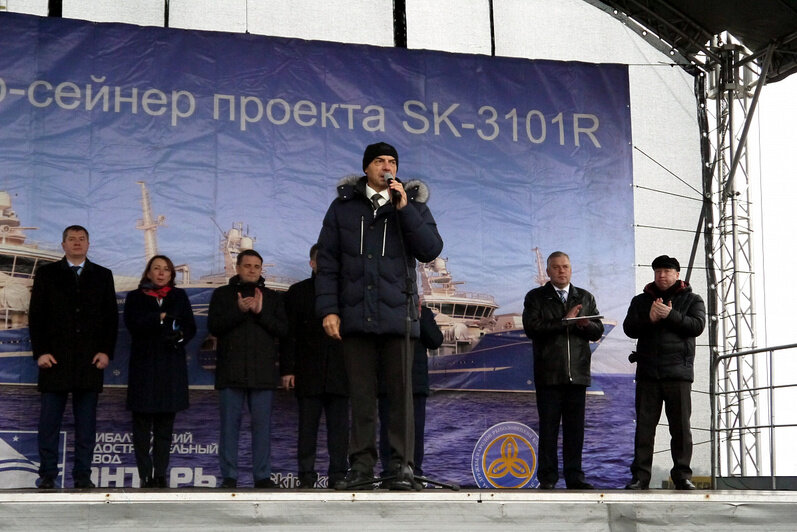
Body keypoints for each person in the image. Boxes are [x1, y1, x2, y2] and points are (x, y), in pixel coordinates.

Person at [315, 141, 443, 490]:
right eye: (380, 161)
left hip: (399, 318)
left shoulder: (411, 205)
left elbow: (431, 249)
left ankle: (402, 466)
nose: (387, 166)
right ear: (367, 168)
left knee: (401, 399)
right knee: (361, 397)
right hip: (355, 318)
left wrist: (404, 210)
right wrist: (329, 309)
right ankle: (360, 468)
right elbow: (327, 263)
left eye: (392, 161)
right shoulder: (343, 208)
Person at [29, 225, 118, 489]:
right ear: (63, 244)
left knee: (86, 427)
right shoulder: (46, 274)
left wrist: (106, 352)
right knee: (49, 425)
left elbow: (110, 319)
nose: (77, 243)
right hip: (53, 361)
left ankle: (82, 476)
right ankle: (47, 476)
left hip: (90, 362)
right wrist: (40, 352)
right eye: (72, 239)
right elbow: (37, 316)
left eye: (82, 239)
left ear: (88, 244)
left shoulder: (103, 275)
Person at [522, 251, 604, 490]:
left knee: (574, 431)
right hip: (549, 375)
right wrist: (564, 321)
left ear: (571, 269)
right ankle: (547, 479)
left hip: (577, 375)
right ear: (548, 271)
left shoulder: (585, 297)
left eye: (565, 266)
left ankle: (575, 478)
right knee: (548, 429)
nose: (561, 270)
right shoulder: (536, 297)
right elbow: (532, 328)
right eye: (556, 267)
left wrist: (585, 324)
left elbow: (597, 331)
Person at [623, 255, 706, 491]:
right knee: (644, 429)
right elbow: (629, 328)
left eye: (667, 271)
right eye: (658, 271)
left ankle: (682, 476)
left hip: (678, 374)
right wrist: (649, 318)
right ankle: (640, 477)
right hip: (648, 373)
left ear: (677, 275)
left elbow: (697, 326)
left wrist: (670, 315)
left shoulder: (693, 299)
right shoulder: (641, 301)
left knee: (680, 429)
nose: (662, 275)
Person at [208, 249, 288, 489]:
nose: (252, 270)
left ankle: (262, 477)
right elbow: (214, 326)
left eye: (256, 266)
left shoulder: (273, 297)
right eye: (247, 266)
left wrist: (260, 312)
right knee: (229, 428)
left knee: (262, 429)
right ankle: (229, 477)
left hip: (262, 374)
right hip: (230, 374)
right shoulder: (222, 295)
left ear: (261, 270)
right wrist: (239, 311)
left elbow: (283, 331)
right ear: (238, 268)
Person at [124, 255, 196, 488]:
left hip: (170, 369)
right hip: (144, 369)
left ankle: (160, 475)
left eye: (166, 269)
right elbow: (133, 324)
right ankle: (145, 475)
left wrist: (180, 336)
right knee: (142, 428)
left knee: (165, 428)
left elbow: (190, 327)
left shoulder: (179, 296)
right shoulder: (135, 297)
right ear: (148, 273)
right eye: (157, 268)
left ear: (171, 275)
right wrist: (160, 317)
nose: (161, 272)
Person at [280, 244, 349, 489]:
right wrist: (287, 369)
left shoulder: (348, 293)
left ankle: (339, 475)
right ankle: (306, 477)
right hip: (307, 373)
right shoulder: (297, 292)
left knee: (339, 432)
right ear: (312, 263)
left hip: (342, 374)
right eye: (323, 259)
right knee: (307, 430)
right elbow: (288, 335)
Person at [378, 304, 443, 478]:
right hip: (388, 380)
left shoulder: (425, 312)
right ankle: (389, 473)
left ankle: (415, 472)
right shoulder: (384, 308)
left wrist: (421, 317)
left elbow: (435, 340)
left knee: (415, 431)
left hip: (416, 382)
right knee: (387, 429)